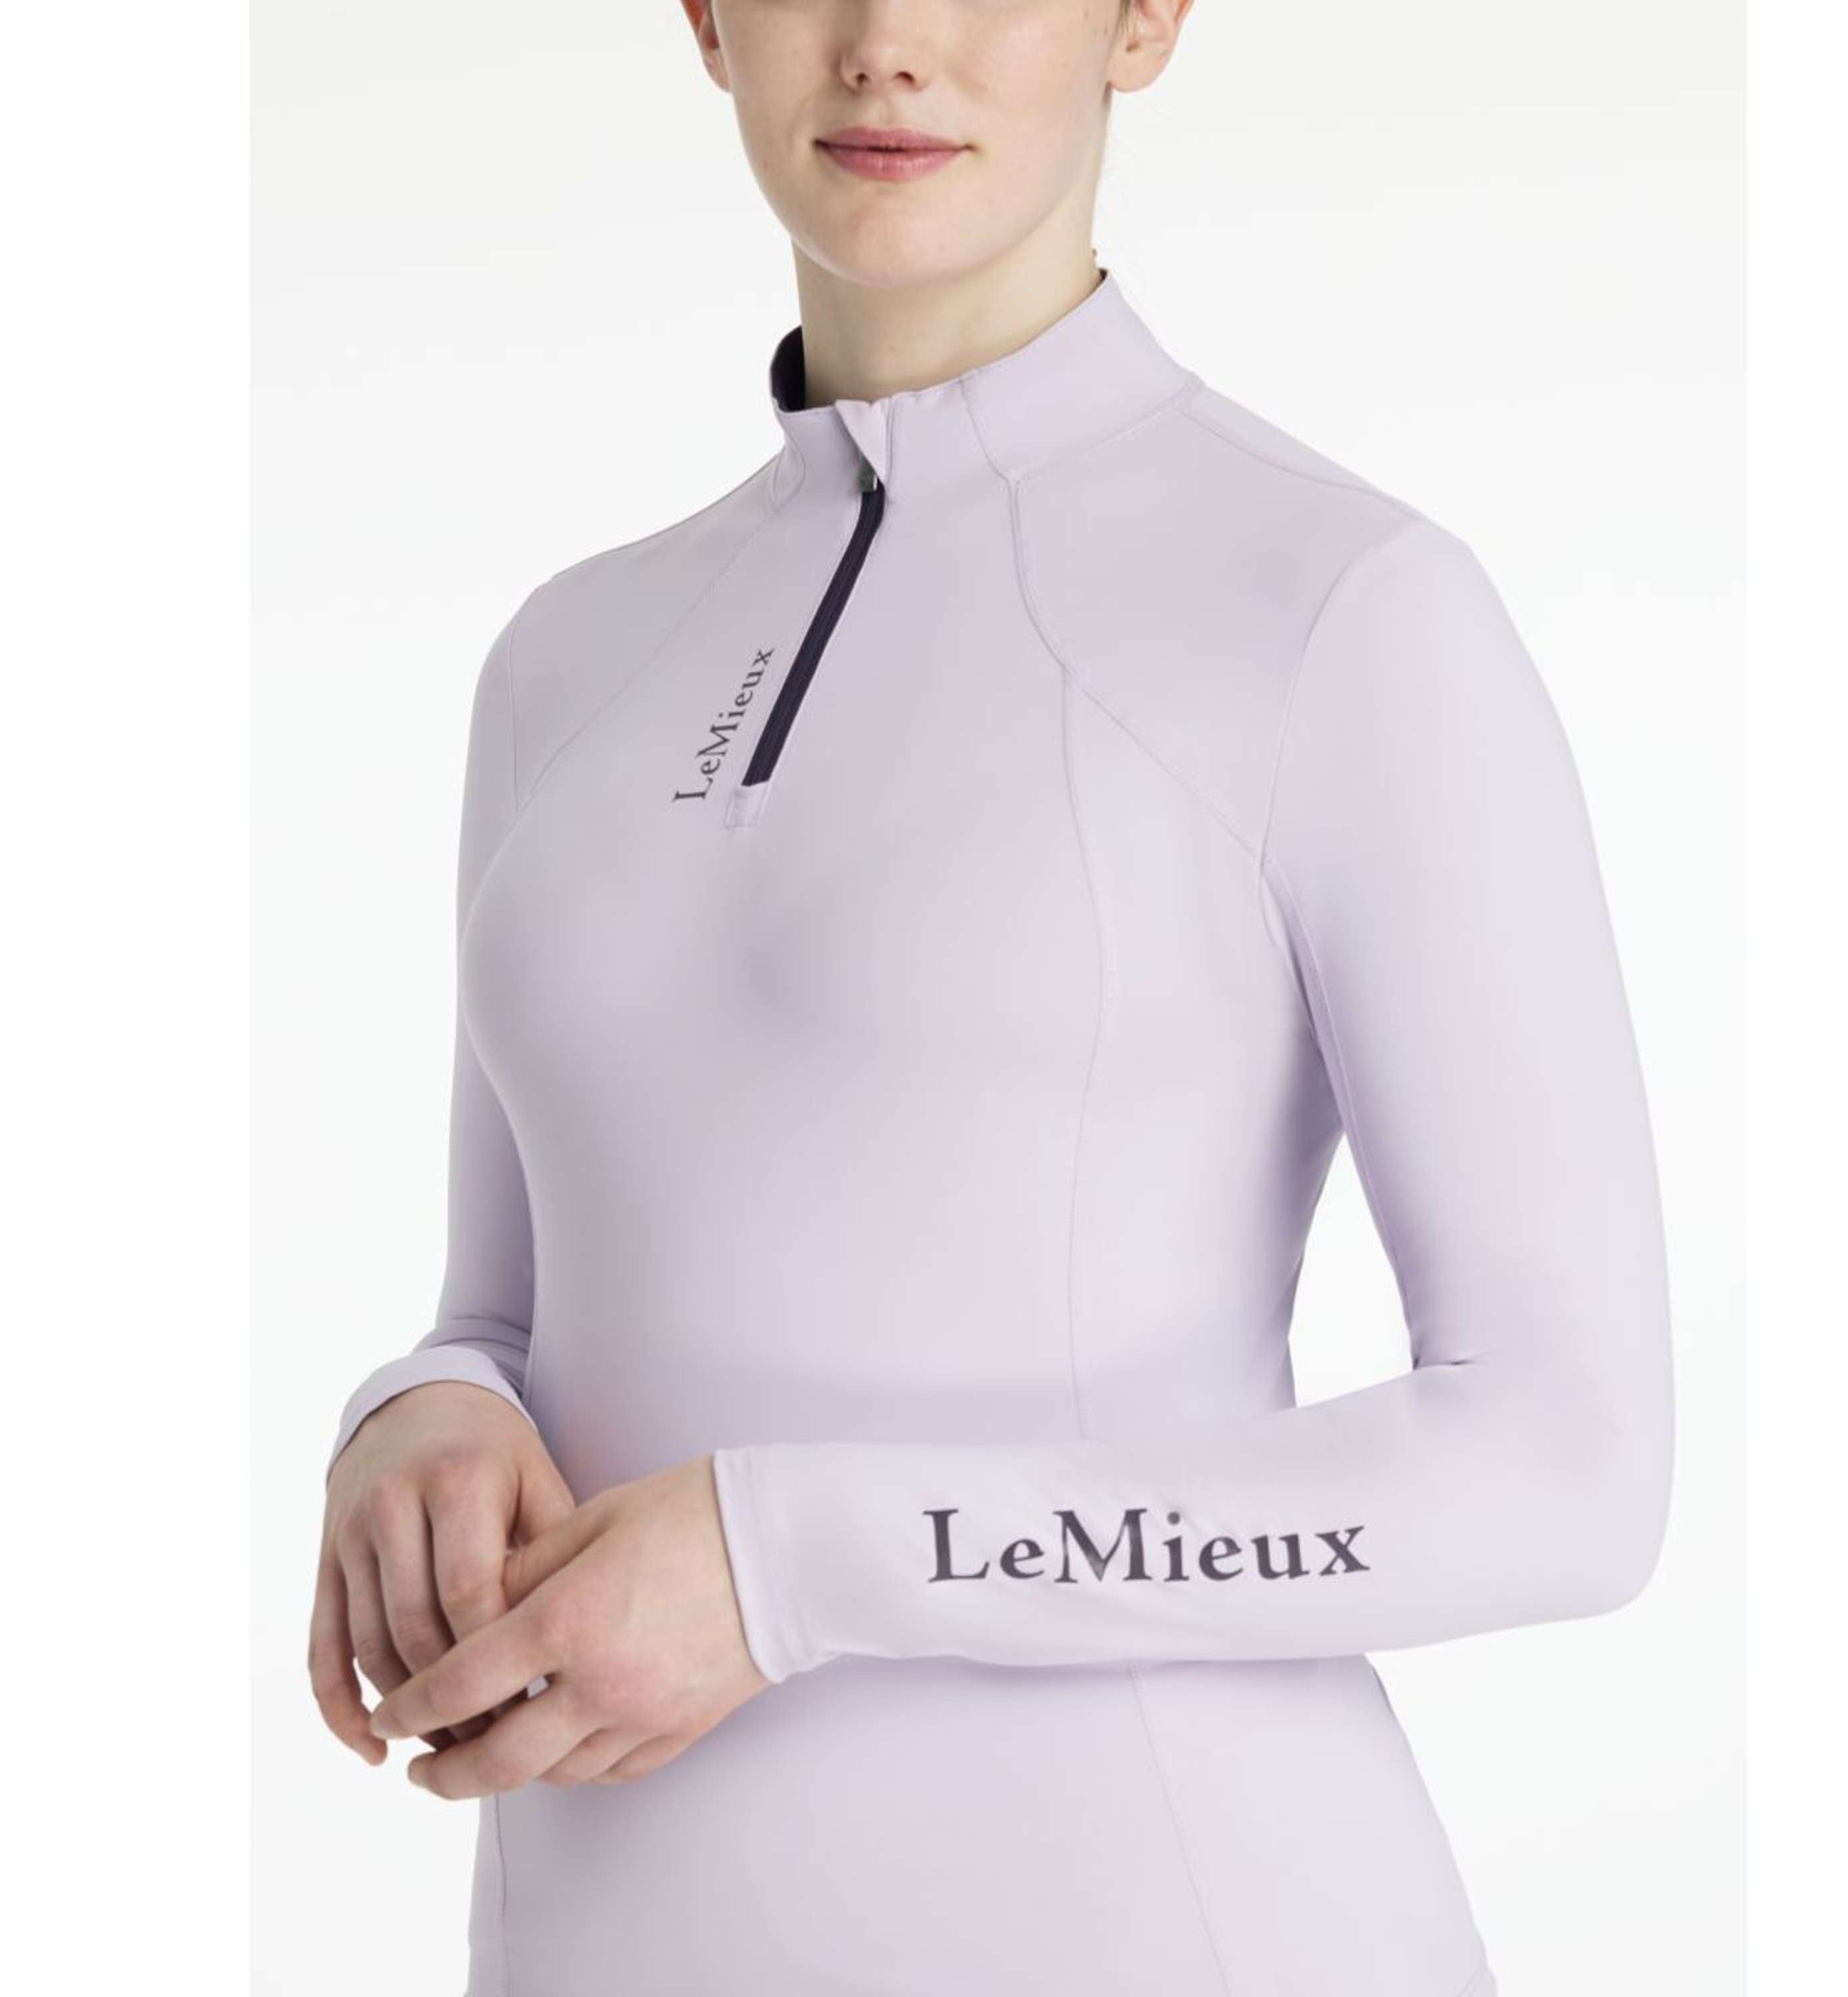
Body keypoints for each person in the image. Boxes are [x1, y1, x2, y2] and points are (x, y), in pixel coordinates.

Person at [309, 3, 1674, 1991]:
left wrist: (796, 1562)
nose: (888, 45)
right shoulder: (565, 659)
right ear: (705, 18)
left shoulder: (1338, 607)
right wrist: (419, 1411)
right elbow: (510, 1318)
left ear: (1145, 16)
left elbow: (1567, 1470)